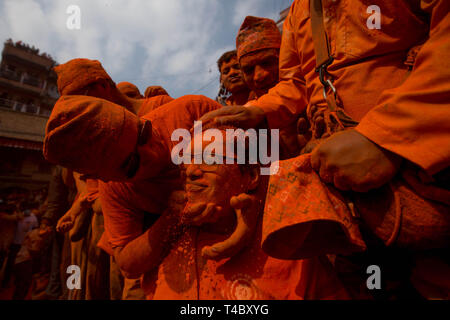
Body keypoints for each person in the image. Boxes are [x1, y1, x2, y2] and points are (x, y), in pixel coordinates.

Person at [199, 0, 450, 299]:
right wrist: (258, 110)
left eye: (266, 63)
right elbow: (296, 83)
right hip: (341, 186)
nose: (259, 74)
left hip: (422, 166)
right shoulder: (297, 12)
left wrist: (387, 136)